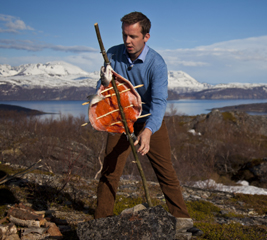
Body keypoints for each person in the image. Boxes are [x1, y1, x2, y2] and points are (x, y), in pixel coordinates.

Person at [94, 11, 202, 236]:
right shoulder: (113, 54)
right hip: (121, 119)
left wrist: (149, 131)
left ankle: (182, 221)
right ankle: (101, 220)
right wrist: (103, 84)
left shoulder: (157, 64)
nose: (127, 41)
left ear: (146, 36)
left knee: (165, 170)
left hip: (149, 119)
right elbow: (103, 89)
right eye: (125, 35)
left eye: (133, 36)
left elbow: (160, 101)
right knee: (110, 169)